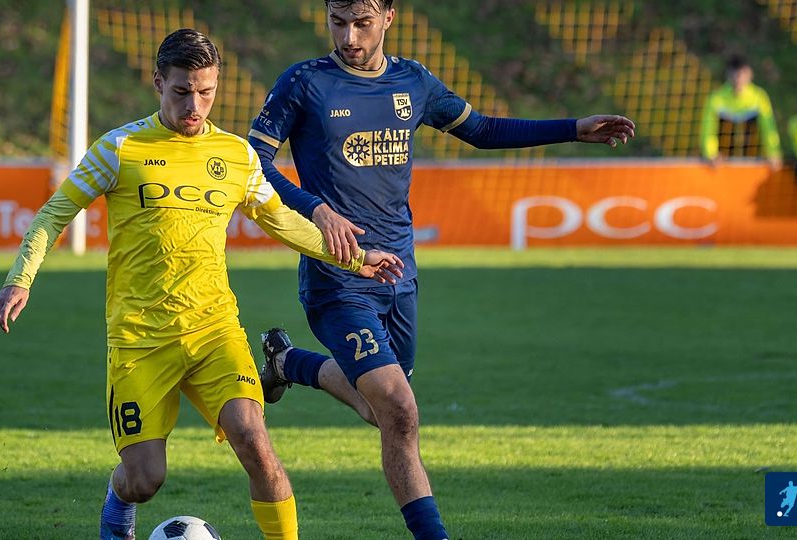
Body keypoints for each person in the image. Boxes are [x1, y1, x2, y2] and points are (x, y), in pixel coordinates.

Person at [0, 29, 403, 540]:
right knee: (145, 480)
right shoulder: (120, 148)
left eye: (206, 92)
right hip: (140, 340)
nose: (194, 105)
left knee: (254, 441)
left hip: (214, 331)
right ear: (158, 83)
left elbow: (281, 221)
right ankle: (119, 502)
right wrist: (20, 280)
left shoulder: (235, 155)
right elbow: (54, 213)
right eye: (182, 91)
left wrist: (356, 258)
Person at [246, 1, 635, 538]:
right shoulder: (304, 83)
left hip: (399, 275)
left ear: (388, 16)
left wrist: (572, 128)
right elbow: (256, 161)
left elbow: (482, 129)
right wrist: (316, 208)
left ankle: (288, 363)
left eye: (361, 23)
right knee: (400, 410)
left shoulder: (413, 82)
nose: (349, 37)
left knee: (378, 408)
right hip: (338, 279)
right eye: (338, 22)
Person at [700, 54, 782, 170]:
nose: (738, 78)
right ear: (728, 75)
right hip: (721, 164)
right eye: (735, 74)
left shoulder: (759, 97)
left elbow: (768, 128)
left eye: (742, 74)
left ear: (750, 74)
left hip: (753, 162)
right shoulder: (716, 99)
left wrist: (773, 153)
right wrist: (711, 153)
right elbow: (708, 129)